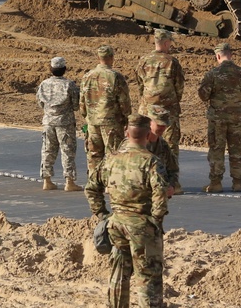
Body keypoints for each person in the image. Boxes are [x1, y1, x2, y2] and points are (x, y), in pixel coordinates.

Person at [86, 114, 169, 308]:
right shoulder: (151, 162)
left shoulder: (111, 159)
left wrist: (102, 215)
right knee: (148, 277)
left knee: (118, 274)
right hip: (142, 225)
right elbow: (161, 193)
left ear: (127, 133)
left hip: (116, 222)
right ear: (148, 134)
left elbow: (91, 188)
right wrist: (155, 220)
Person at [197, 42, 241, 193]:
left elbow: (203, 95)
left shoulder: (212, 74)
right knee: (236, 149)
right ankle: (237, 183)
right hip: (236, 118)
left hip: (217, 119)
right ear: (231, 54)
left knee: (217, 149)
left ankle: (216, 182)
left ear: (217, 56)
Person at [136, 28, 184, 193]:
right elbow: (179, 86)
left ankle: (146, 181)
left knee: (146, 143)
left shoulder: (143, 60)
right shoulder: (172, 62)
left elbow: (140, 84)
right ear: (165, 42)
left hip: (147, 109)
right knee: (171, 145)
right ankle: (173, 184)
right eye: (170, 42)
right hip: (168, 109)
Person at [79, 44, 131, 178]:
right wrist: (127, 118)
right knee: (113, 153)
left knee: (94, 153)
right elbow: (124, 101)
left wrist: (87, 116)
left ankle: (94, 181)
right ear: (112, 58)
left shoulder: (87, 76)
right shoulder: (115, 77)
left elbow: (82, 102)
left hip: (92, 122)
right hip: (111, 122)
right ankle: (110, 182)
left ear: (98, 58)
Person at [37, 56, 82, 191]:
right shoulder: (69, 85)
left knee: (47, 150)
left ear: (51, 69)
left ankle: (47, 180)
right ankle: (69, 182)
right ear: (64, 69)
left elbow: (40, 103)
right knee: (67, 151)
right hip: (65, 122)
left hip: (48, 122)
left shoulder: (43, 84)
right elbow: (76, 105)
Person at [146, 105, 179, 197]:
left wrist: (171, 186)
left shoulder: (163, 146)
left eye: (164, 125)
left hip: (157, 196)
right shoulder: (136, 144)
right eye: (159, 125)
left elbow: (173, 170)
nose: (162, 128)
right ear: (149, 123)